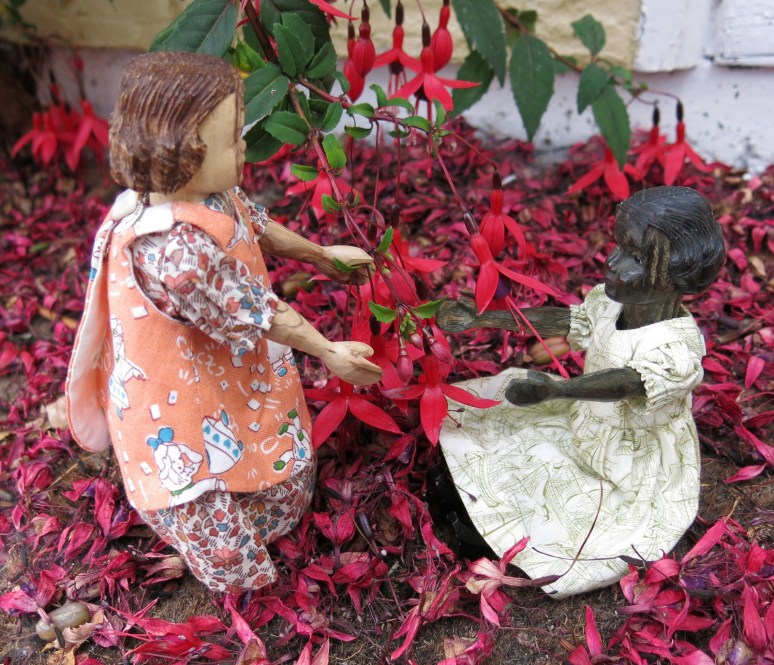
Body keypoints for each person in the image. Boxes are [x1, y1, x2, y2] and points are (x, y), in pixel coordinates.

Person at [66, 51, 382, 593]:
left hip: (218, 363)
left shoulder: (211, 196)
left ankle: (269, 500)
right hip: (174, 391)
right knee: (200, 488)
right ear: (182, 152)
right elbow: (256, 310)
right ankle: (237, 579)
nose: (244, 149)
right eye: (232, 139)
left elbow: (254, 225)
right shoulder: (175, 253)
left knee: (256, 434)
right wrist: (328, 351)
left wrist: (320, 255)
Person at [434, 186, 726, 597]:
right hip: (582, 419)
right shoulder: (610, 305)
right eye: (618, 247)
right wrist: (483, 318)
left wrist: (558, 389)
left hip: (628, 459)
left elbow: (627, 382)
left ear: (678, 273)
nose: (612, 263)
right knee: (502, 442)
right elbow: (567, 321)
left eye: (636, 258)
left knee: (564, 512)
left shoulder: (675, 348)